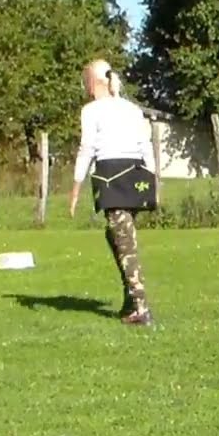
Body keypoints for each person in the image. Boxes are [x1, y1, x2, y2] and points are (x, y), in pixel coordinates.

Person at [69, 59, 159, 326]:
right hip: (137, 174)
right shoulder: (132, 109)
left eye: (86, 80)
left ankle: (141, 308)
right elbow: (146, 144)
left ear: (94, 82)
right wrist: (153, 179)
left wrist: (75, 188)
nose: (85, 86)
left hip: (112, 174)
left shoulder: (91, 111)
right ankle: (130, 300)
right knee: (118, 236)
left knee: (124, 243)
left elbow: (87, 148)